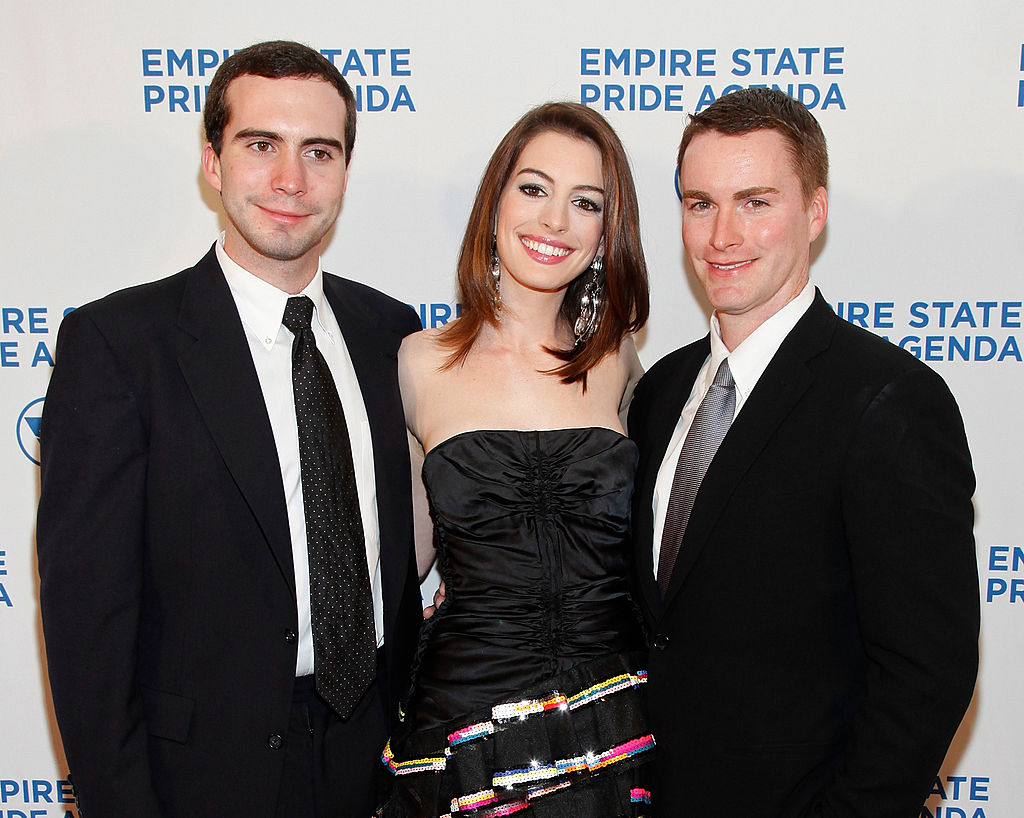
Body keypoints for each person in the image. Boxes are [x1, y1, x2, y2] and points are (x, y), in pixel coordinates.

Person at [36, 40, 423, 818]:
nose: (291, 180)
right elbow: (88, 625)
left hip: (376, 765)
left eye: (320, 151)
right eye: (260, 146)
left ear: (346, 168)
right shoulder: (119, 346)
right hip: (198, 781)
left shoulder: (393, 335)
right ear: (212, 162)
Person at [628, 87, 979, 816]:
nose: (722, 234)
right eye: (700, 203)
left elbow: (928, 674)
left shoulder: (889, 399)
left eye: (755, 202)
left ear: (815, 212)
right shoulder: (659, 391)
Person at [380, 102, 652, 817]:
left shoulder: (622, 363)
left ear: (605, 232)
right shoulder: (417, 365)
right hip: (464, 725)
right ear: (495, 202)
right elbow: (394, 567)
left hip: (613, 719)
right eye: (534, 188)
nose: (554, 221)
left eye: (584, 202)